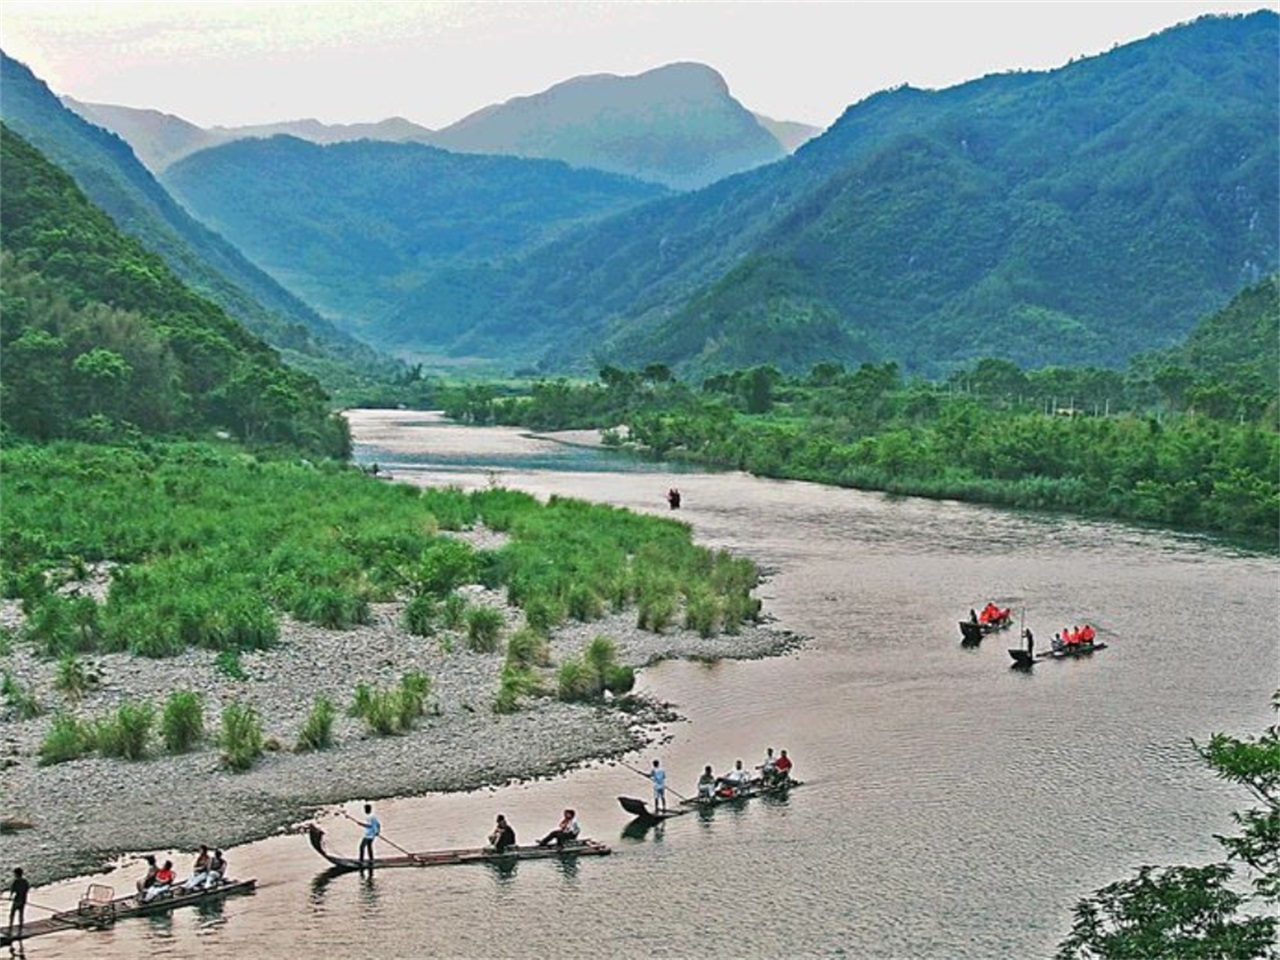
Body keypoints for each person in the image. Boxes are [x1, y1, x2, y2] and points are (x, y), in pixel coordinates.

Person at [7, 867, 29, 941]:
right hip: (23, 900)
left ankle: (10, 927)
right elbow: (26, 890)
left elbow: (13, 891)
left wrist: (10, 897)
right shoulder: (25, 881)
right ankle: (20, 926)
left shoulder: (16, 882)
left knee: (12, 914)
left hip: (17, 900)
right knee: (21, 914)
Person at [356, 803, 380, 868]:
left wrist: (361, 824)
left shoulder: (369, 817)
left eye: (365, 809)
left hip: (368, 835)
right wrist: (377, 832)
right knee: (369, 847)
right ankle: (371, 859)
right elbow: (378, 824)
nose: (364, 810)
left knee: (361, 847)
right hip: (372, 835)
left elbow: (369, 825)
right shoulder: (374, 816)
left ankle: (361, 861)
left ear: (367, 809)